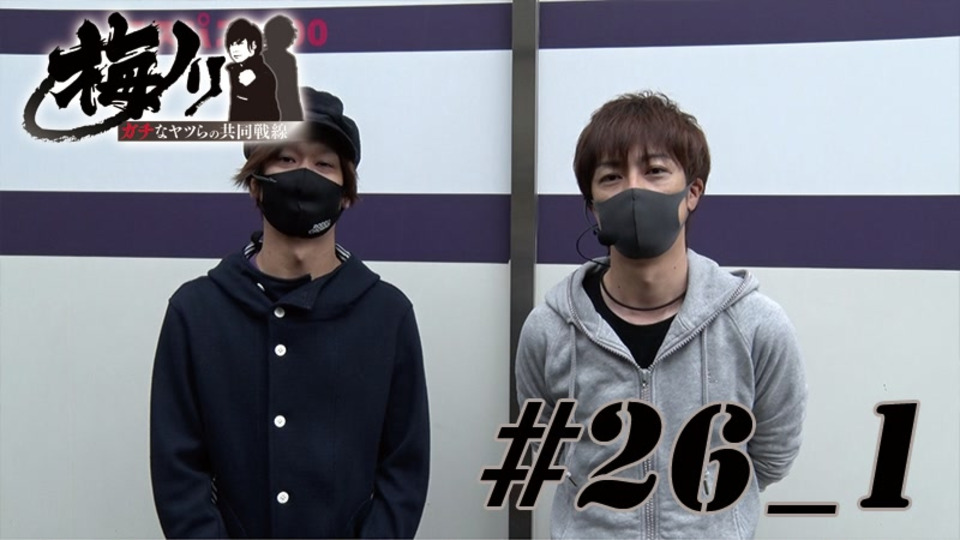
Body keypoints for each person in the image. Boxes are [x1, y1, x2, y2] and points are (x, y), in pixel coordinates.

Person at [515, 91, 807, 539]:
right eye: (611, 176)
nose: (634, 190)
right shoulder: (549, 330)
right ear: (592, 206)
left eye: (655, 171)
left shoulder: (756, 326)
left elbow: (771, 456)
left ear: (693, 192)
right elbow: (547, 450)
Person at [150, 87, 430, 539]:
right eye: (286, 159)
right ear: (256, 183)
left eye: (324, 164)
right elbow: (178, 473)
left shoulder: (387, 315)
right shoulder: (196, 312)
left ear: (345, 193)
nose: (304, 175)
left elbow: (404, 472)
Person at [224, 18, 280, 121]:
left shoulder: (262, 74)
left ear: (254, 45)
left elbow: (272, 114)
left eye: (240, 43)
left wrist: (255, 83)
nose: (234, 50)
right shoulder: (235, 69)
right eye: (232, 45)